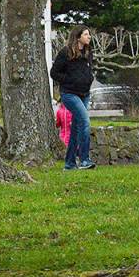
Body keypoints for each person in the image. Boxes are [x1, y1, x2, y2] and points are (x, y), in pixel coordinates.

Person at [50, 26, 95, 170]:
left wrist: (89, 78)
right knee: (84, 121)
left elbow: (88, 70)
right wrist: (69, 79)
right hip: (69, 94)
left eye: (89, 34)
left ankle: (69, 164)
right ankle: (85, 160)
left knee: (76, 128)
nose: (89, 37)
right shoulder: (66, 53)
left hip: (84, 94)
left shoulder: (88, 52)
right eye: (86, 34)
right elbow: (54, 73)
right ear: (78, 36)